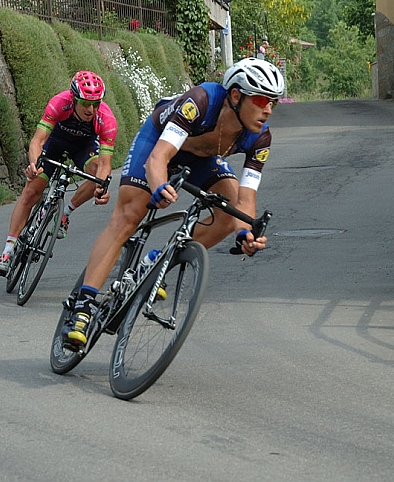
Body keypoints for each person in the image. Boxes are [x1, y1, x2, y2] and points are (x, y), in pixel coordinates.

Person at [62, 57, 285, 349]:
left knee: (229, 212)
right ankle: (83, 305)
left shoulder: (260, 138)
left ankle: (160, 258)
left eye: (273, 102)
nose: (267, 109)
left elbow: (246, 199)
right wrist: (158, 187)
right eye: (260, 99)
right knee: (130, 214)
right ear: (235, 95)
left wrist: (245, 233)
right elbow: (159, 158)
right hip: (159, 142)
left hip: (203, 158)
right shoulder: (201, 102)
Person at [0, 71, 118, 276]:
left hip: (84, 147)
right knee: (32, 190)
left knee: (97, 175)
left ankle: (65, 213)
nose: (91, 109)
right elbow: (37, 141)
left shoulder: (106, 119)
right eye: (85, 103)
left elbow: (105, 164)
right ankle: (7, 250)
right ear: (73, 98)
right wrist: (34, 164)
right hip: (55, 143)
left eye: (96, 103)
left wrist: (102, 187)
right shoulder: (59, 103)